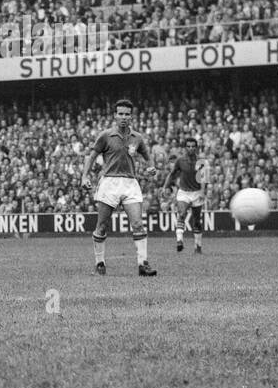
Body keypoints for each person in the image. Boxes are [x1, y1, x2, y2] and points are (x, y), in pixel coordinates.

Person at [81, 98, 158, 276]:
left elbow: (147, 155)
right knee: (101, 226)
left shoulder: (137, 137)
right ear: (115, 116)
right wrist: (85, 176)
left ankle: (143, 264)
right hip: (109, 182)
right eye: (120, 114)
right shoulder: (106, 136)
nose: (124, 117)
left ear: (131, 117)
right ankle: (99, 262)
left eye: (127, 114)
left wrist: (151, 166)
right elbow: (91, 156)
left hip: (130, 183)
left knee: (138, 224)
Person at [164, 136, 207, 254]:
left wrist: (203, 192)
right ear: (185, 148)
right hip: (184, 192)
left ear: (196, 147)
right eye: (188, 146)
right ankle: (179, 241)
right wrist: (165, 187)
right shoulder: (180, 161)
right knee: (181, 214)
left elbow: (203, 178)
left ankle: (198, 246)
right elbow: (172, 174)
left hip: (197, 192)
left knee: (197, 220)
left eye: (193, 146)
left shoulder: (201, 161)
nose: (191, 148)